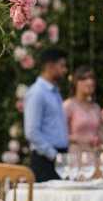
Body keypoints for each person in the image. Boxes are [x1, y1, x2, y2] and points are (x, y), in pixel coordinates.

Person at [23, 47, 69, 182]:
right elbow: (31, 132)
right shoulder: (37, 93)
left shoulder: (54, 91)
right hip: (45, 160)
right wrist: (54, 155)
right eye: (62, 65)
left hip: (59, 156)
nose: (65, 70)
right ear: (49, 66)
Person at [64, 65, 103, 152]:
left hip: (95, 153)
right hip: (76, 153)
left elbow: (102, 133)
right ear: (76, 82)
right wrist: (81, 139)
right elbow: (61, 135)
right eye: (85, 78)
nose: (90, 81)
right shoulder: (68, 105)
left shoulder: (96, 107)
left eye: (92, 78)